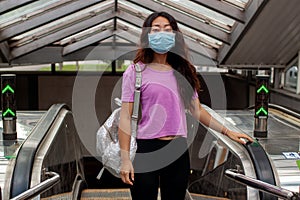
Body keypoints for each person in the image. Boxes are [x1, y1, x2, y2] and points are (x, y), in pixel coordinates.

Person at [118, 11, 253, 200]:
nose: (162, 34)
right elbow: (125, 116)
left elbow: (197, 110)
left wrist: (227, 131)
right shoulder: (135, 71)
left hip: (177, 149)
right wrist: (125, 160)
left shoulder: (182, 71)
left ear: (175, 36)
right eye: (156, 29)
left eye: (167, 29)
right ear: (147, 36)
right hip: (145, 149)